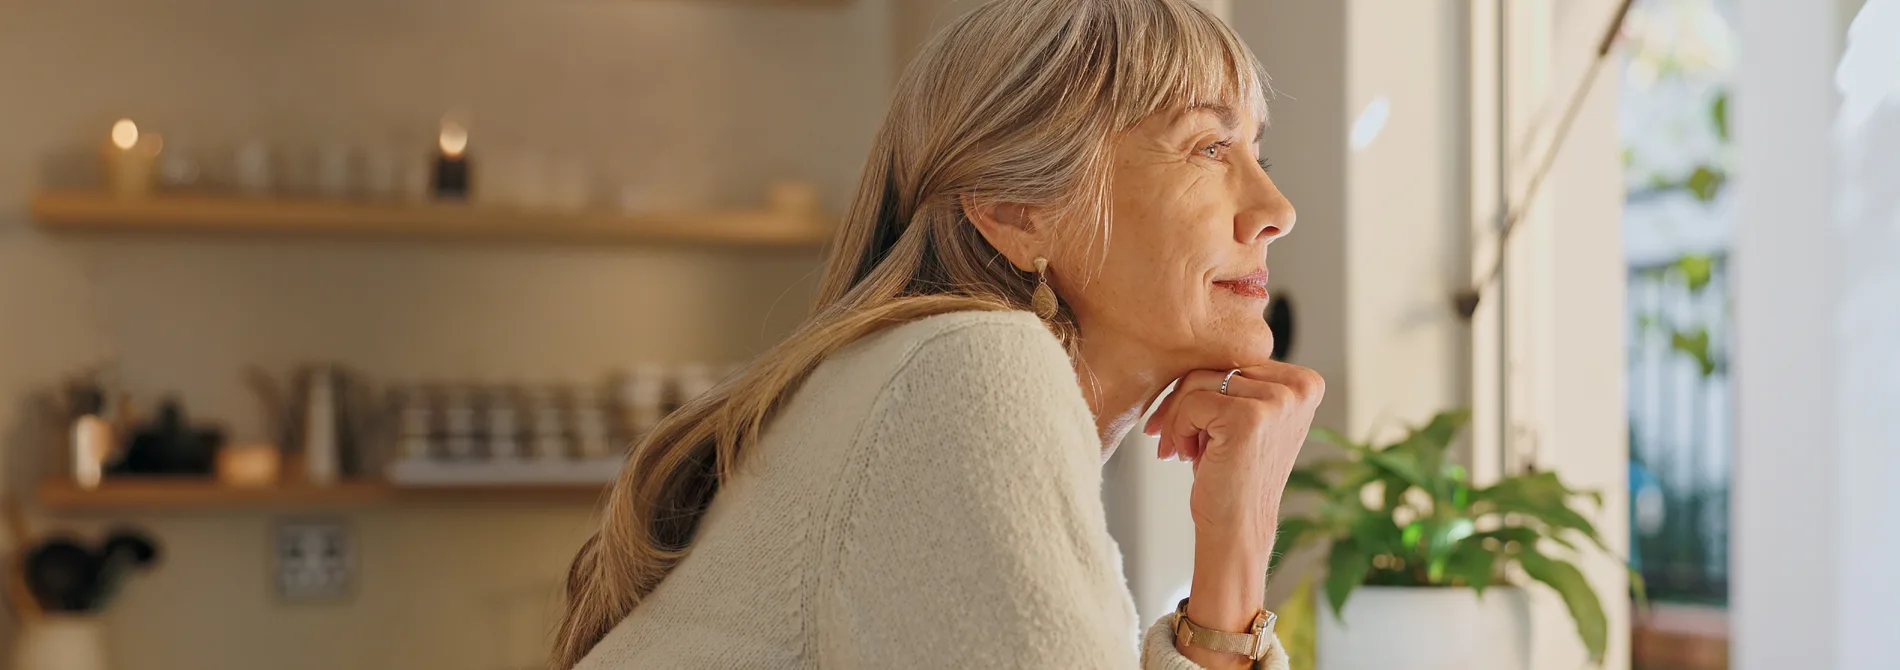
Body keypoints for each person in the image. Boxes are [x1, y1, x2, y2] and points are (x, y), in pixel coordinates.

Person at [555, 0, 1321, 667]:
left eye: (1258, 152)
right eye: (1209, 148)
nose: (1277, 208)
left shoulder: (934, 379)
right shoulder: (971, 368)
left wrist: (1238, 545)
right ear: (1017, 212)